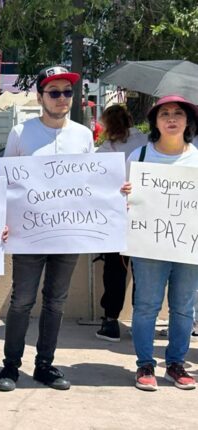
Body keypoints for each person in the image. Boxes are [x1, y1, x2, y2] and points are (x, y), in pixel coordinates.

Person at [0, 66, 95, 392]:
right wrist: (3, 221)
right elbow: (6, 182)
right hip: (29, 233)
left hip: (67, 234)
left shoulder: (83, 135)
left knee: (56, 302)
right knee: (22, 300)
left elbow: (92, 182)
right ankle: (10, 367)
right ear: (40, 97)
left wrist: (114, 192)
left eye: (68, 92)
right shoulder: (21, 133)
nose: (62, 98)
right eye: (54, 92)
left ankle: (45, 365)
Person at [127, 95, 198, 391]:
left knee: (184, 307)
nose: (171, 118)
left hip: (188, 244)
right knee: (146, 305)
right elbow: (120, 199)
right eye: (164, 113)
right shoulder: (140, 156)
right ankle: (145, 363)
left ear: (187, 121)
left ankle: (176, 364)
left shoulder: (196, 157)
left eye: (178, 113)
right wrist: (125, 192)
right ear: (155, 122)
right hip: (148, 244)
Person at [94, 104, 147, 342]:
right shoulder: (145, 143)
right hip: (144, 216)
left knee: (114, 271)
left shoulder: (103, 152)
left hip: (114, 218)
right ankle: (140, 321)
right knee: (142, 272)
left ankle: (111, 320)